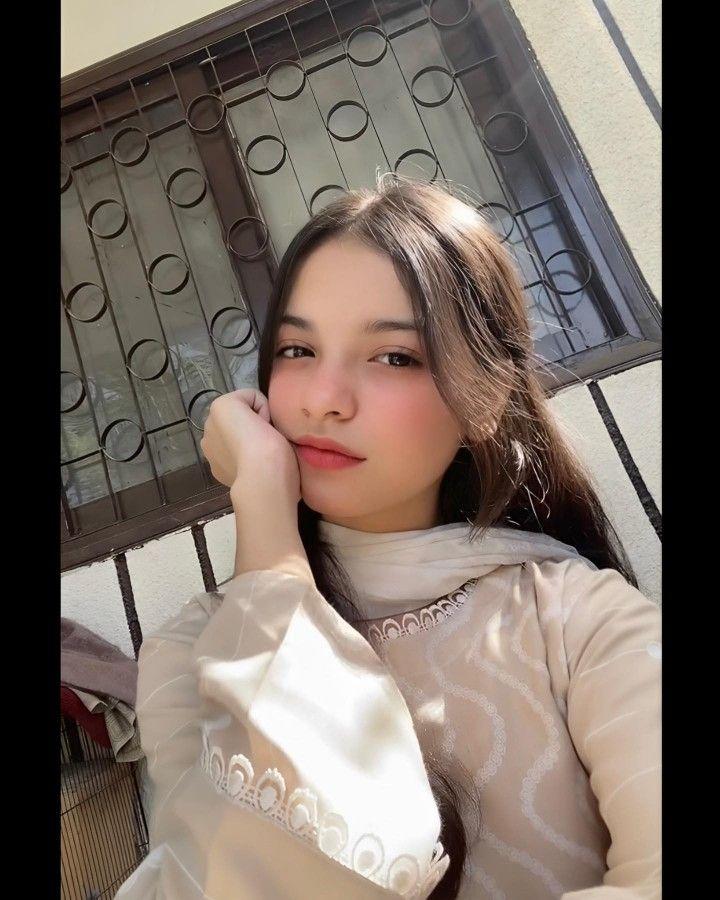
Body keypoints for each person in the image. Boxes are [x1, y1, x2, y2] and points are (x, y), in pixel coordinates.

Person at [115, 177, 660, 899]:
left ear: (486, 397)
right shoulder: (194, 650)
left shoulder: (580, 622)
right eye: (297, 350)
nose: (323, 399)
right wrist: (264, 514)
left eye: (395, 356)